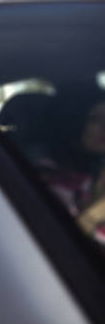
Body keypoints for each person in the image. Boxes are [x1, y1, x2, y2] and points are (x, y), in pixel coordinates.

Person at [36, 87, 105, 246]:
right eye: (95, 119)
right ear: (73, 121)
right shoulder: (48, 175)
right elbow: (59, 245)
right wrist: (96, 213)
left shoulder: (98, 165)